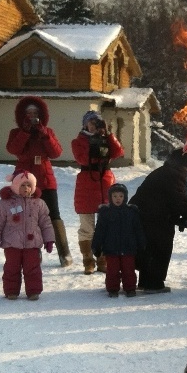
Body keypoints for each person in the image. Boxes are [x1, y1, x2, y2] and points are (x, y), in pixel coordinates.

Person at [6, 96, 72, 267]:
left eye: (35, 113)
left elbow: (56, 152)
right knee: (27, 218)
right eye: (29, 113)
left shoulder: (47, 131)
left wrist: (44, 135)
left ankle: (64, 253)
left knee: (54, 216)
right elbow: (13, 149)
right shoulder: (16, 132)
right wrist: (25, 132)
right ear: (22, 115)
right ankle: (32, 253)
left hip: (45, 179)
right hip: (24, 181)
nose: (32, 116)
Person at [128, 149, 187, 294]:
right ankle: (153, 284)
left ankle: (146, 281)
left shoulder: (169, 170)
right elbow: (179, 199)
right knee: (159, 248)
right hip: (153, 217)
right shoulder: (173, 174)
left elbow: (171, 198)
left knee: (150, 248)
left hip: (148, 214)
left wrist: (179, 217)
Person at [0, 171, 55, 301]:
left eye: (29, 186)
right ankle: (11, 291)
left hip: (32, 243)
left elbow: (46, 223)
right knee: (11, 268)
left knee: (33, 268)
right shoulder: (5, 203)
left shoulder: (39, 203)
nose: (26, 189)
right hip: (12, 243)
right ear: (16, 186)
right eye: (23, 185)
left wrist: (49, 239)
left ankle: (33, 291)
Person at [72, 111, 124, 275]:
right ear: (85, 124)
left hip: (105, 182)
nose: (94, 125)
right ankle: (88, 260)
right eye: (91, 122)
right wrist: (93, 141)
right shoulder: (78, 141)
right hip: (87, 183)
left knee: (106, 226)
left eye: (97, 122)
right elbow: (82, 158)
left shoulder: (107, 139)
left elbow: (118, 152)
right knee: (87, 227)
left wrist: (108, 135)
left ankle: (103, 259)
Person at [91, 183, 146, 298]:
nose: (118, 199)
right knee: (112, 271)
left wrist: (141, 244)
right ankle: (112, 288)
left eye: (120, 196)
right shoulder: (106, 212)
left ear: (124, 197)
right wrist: (96, 245)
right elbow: (100, 231)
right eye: (115, 196)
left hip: (128, 248)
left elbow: (138, 230)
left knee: (128, 270)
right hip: (111, 248)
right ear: (110, 197)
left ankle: (130, 288)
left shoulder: (131, 212)